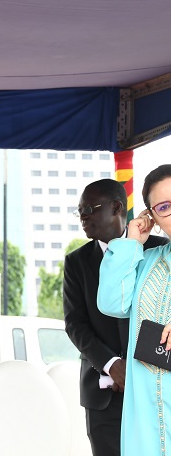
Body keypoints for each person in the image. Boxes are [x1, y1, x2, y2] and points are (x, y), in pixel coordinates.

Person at [63, 179, 167, 456]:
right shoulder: (76, 261)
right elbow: (75, 323)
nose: (83, 218)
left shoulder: (158, 250)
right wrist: (111, 365)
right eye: (79, 212)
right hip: (103, 393)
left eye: (89, 209)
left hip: (153, 385)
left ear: (117, 207)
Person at [98, 164, 171, 456]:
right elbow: (111, 303)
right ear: (153, 217)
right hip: (146, 414)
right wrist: (132, 241)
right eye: (164, 207)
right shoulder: (148, 261)